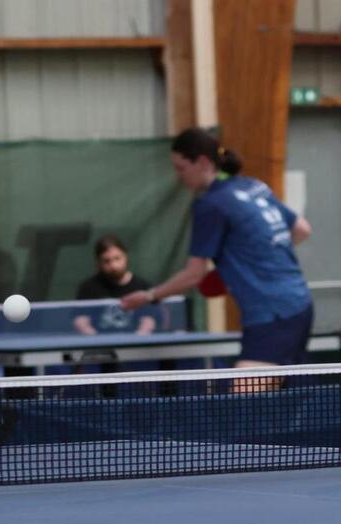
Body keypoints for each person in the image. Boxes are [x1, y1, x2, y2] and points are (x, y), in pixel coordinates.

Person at [120, 128, 313, 378]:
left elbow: (194, 274)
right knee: (284, 400)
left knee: (244, 399)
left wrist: (148, 296)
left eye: (180, 168)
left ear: (202, 162)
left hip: (271, 313)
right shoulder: (254, 186)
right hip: (301, 304)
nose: (179, 177)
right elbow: (302, 230)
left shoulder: (210, 204)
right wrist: (256, 262)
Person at [74, 235, 156, 335]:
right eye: (106, 261)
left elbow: (149, 320)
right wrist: (98, 341)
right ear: (98, 262)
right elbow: (80, 321)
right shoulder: (88, 288)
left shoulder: (143, 286)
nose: (113, 266)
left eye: (117, 258)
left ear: (125, 257)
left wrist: (135, 341)